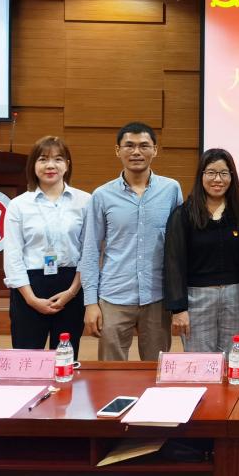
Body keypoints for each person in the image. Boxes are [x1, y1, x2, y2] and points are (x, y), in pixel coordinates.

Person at [79, 122, 182, 361]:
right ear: (118, 150)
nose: (136, 152)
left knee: (156, 369)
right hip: (114, 296)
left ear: (155, 150)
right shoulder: (102, 195)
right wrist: (90, 303)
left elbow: (178, 247)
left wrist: (179, 300)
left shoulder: (171, 189)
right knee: (110, 371)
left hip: (157, 296)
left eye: (144, 145)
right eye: (129, 146)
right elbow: (91, 251)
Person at [164, 148, 239, 354]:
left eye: (224, 173)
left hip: (236, 296)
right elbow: (173, 263)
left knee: (232, 357)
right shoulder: (184, 214)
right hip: (196, 298)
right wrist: (179, 308)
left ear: (232, 177)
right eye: (211, 173)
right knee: (201, 362)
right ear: (201, 175)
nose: (218, 179)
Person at [3, 136, 89, 357]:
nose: (51, 165)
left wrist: (71, 292)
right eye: (43, 159)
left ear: (67, 164)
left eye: (58, 159)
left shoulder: (85, 201)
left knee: (65, 358)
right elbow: (12, 256)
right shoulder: (18, 205)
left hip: (71, 286)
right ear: (33, 165)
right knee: (27, 360)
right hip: (29, 287)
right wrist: (31, 299)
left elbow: (88, 253)